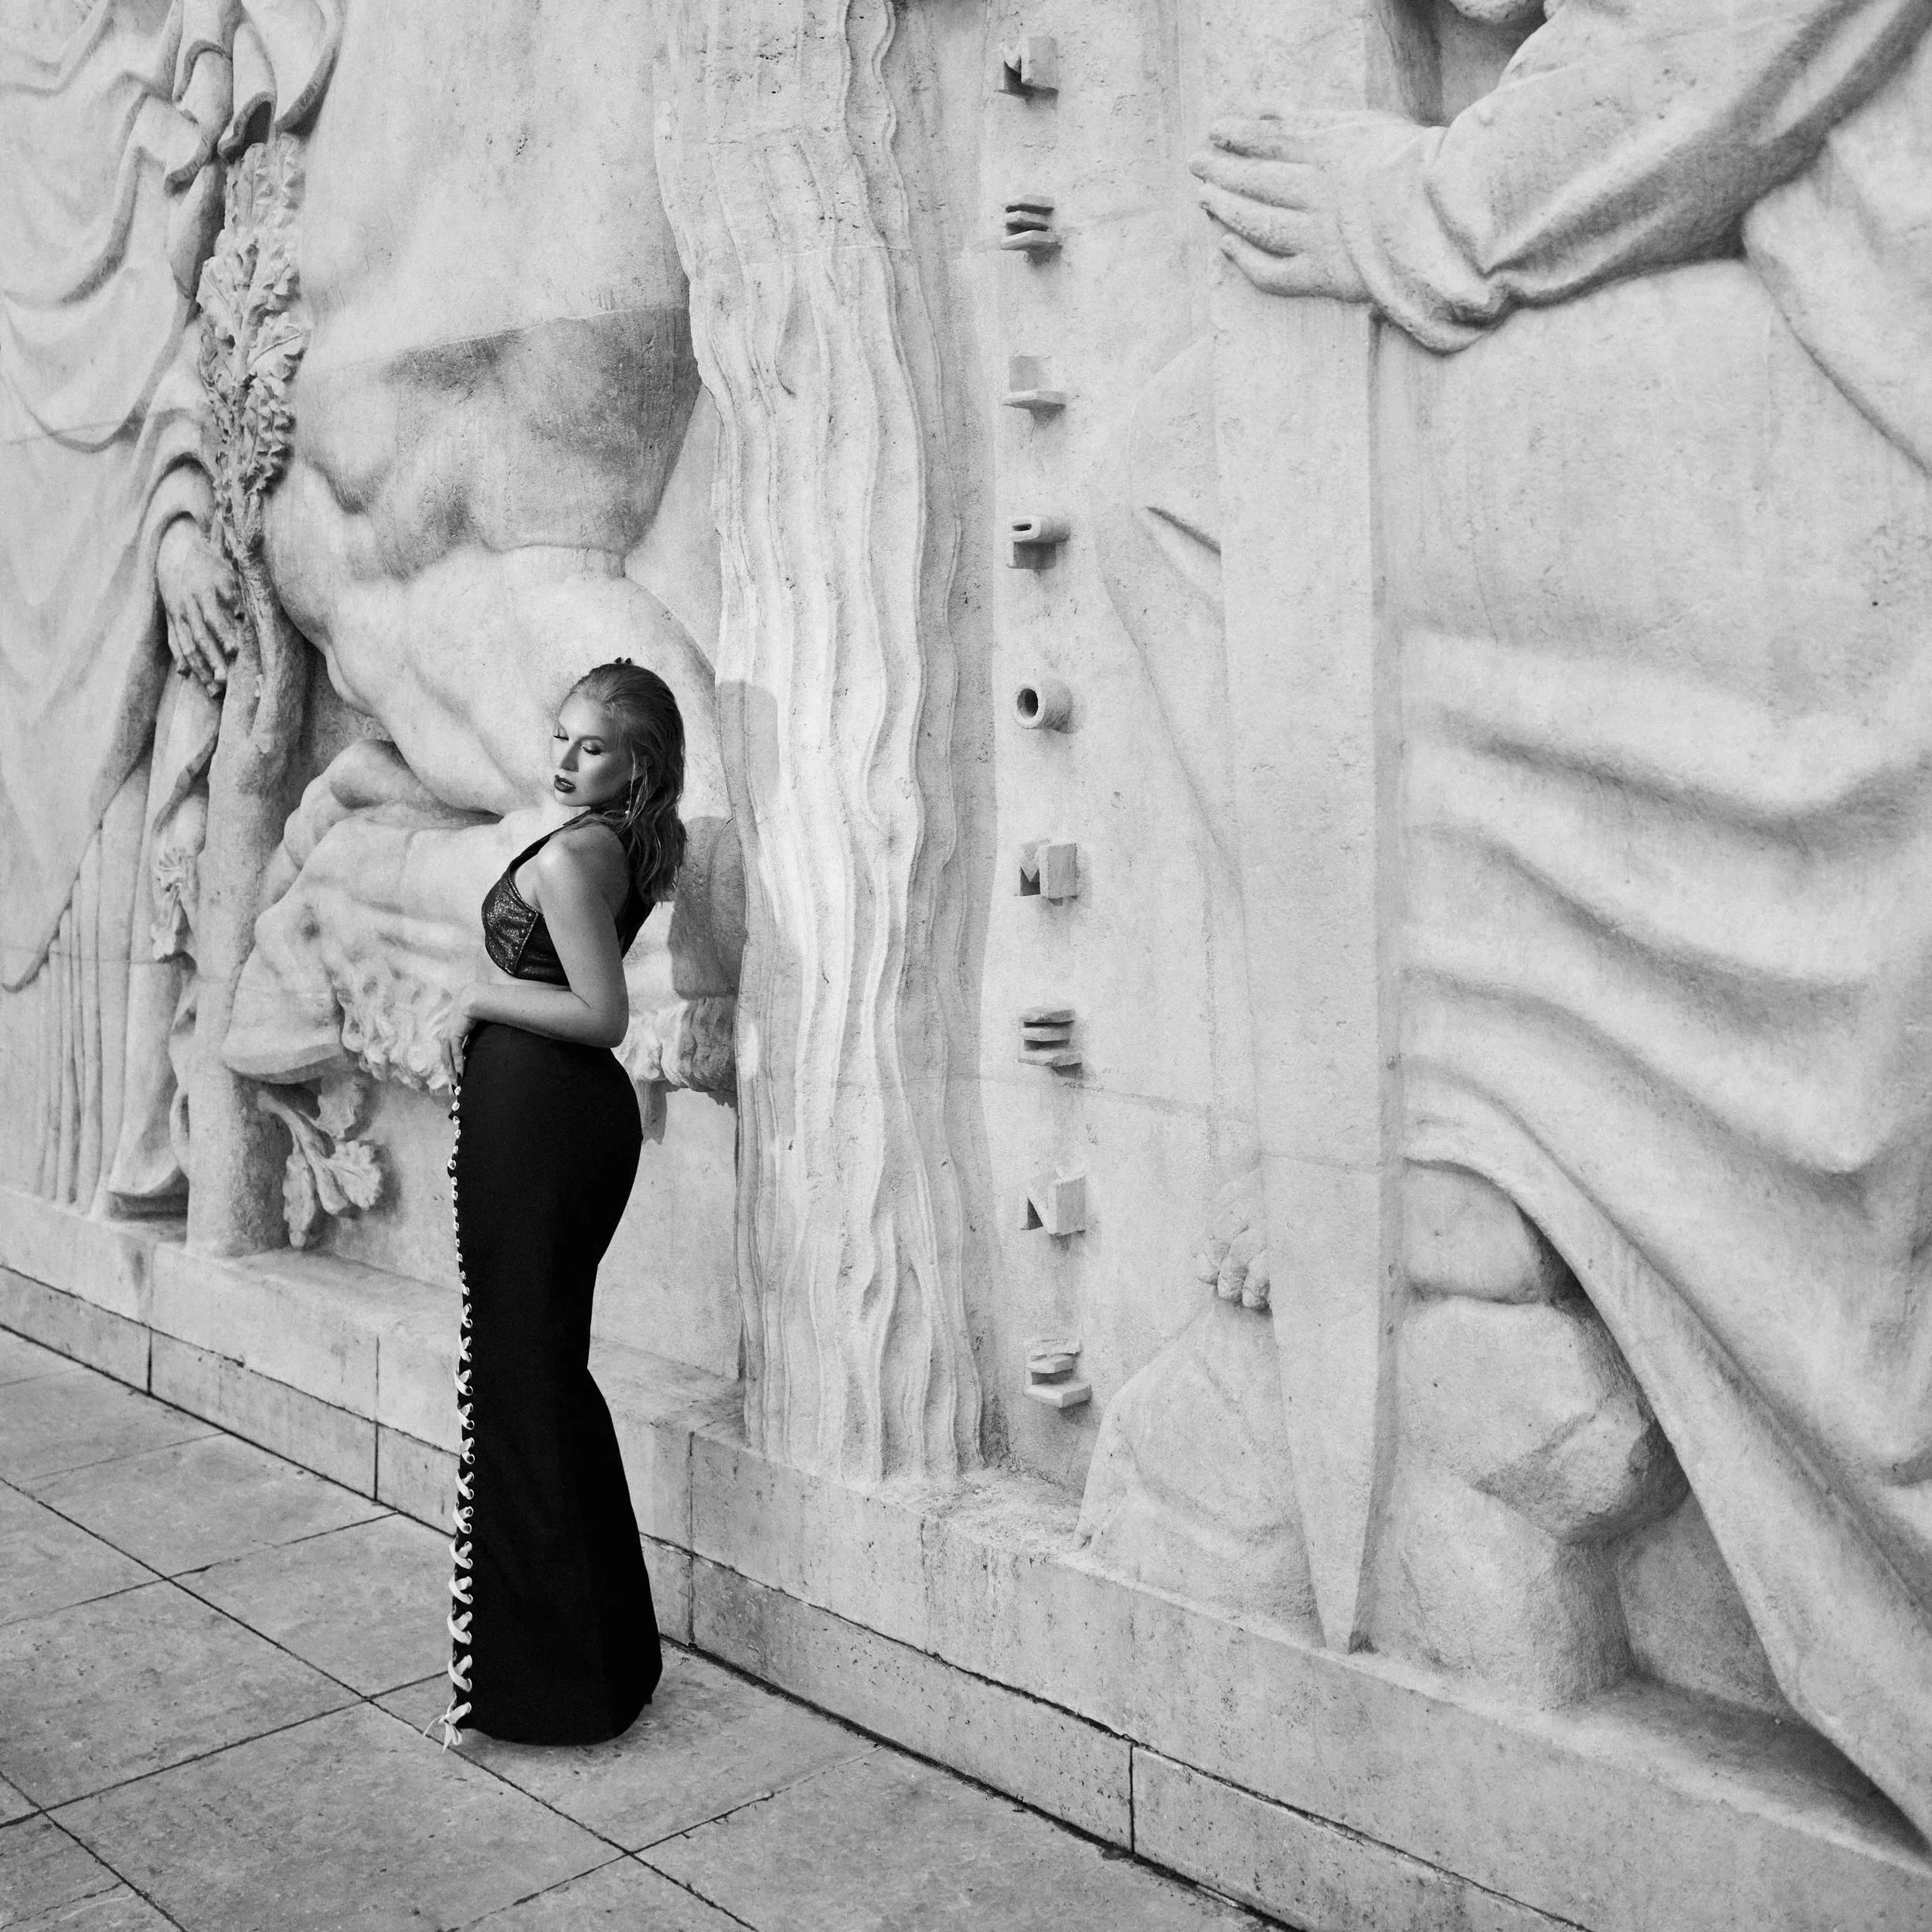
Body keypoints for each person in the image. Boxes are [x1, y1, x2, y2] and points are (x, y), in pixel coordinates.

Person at [431, 659, 688, 1747]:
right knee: (536, 1379)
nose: (565, 759)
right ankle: (602, 1664)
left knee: (524, 1382)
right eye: (562, 737)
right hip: (541, 1127)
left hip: (550, 1130)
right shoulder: (605, 844)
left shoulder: (581, 855)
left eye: (592, 747)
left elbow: (604, 1015)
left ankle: (560, 1689)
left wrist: (473, 999)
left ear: (639, 766)